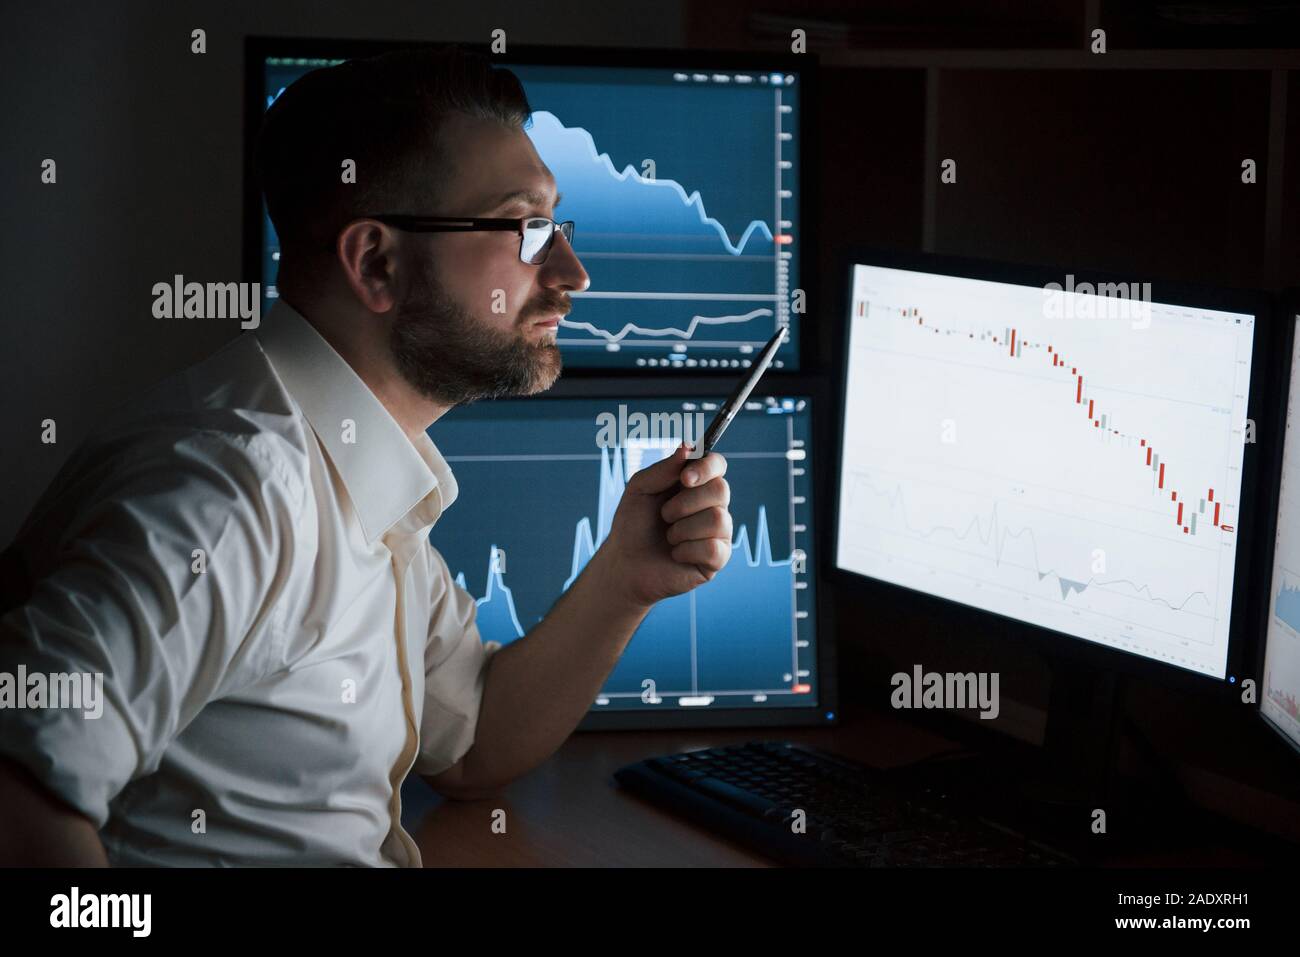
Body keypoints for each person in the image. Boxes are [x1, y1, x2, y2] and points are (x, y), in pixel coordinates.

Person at [0, 44, 733, 866]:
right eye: (526, 228)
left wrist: (626, 576)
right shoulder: (237, 489)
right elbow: (17, 786)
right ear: (376, 261)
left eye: (556, 225)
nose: (573, 272)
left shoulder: (356, 458)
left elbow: (475, 739)